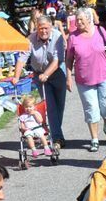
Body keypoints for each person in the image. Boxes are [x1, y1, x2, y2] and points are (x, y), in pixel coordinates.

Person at [66, 7, 106, 152]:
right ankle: (94, 138)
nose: (78, 22)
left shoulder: (100, 31)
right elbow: (69, 59)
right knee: (91, 109)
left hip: (104, 76)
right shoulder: (73, 37)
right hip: (84, 80)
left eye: (81, 19)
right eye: (77, 19)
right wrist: (68, 77)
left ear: (89, 19)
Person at [12, 14, 67, 149]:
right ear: (36, 28)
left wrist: (47, 74)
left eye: (46, 28)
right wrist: (16, 77)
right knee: (50, 107)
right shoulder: (30, 39)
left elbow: (57, 60)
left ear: (51, 27)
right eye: (40, 28)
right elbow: (21, 59)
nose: (43, 31)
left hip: (57, 73)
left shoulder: (57, 36)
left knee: (59, 106)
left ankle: (57, 134)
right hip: (40, 76)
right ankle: (57, 139)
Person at [17, 93, 52, 159]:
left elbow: (40, 121)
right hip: (28, 130)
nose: (28, 109)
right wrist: (24, 129)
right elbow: (22, 125)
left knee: (42, 135)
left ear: (34, 107)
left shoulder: (36, 113)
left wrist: (35, 115)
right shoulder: (23, 116)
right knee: (29, 136)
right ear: (24, 107)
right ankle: (34, 150)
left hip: (37, 128)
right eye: (26, 107)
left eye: (30, 107)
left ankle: (46, 148)